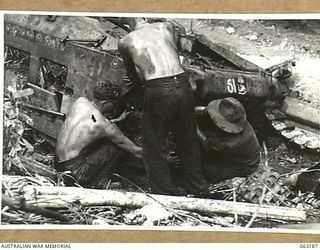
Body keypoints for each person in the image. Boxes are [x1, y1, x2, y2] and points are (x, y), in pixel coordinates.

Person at [118, 17, 210, 196]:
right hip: (182, 84)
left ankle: (165, 194)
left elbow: (132, 76)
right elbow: (175, 53)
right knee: (188, 140)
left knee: (154, 146)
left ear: (127, 24)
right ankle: (200, 189)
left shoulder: (125, 41)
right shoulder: (165, 26)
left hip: (159, 89)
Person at [55, 80, 143, 187]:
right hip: (76, 174)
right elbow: (136, 151)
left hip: (58, 163)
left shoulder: (80, 102)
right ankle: (98, 183)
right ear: (106, 103)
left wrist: (117, 120)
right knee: (114, 146)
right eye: (114, 103)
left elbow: (89, 125)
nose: (114, 107)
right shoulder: (106, 126)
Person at [196, 97, 261, 183]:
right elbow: (207, 110)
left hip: (243, 165)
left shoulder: (230, 143)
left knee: (204, 168)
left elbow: (208, 145)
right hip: (239, 153)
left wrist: (195, 129)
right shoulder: (236, 118)